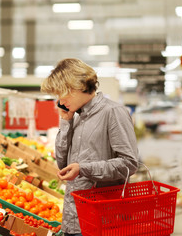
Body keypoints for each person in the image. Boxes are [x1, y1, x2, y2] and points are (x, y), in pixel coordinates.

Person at [41, 58, 139, 236]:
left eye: (62, 93)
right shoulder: (75, 115)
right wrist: (66, 122)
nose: (60, 100)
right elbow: (62, 164)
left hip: (102, 221)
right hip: (73, 217)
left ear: (77, 87)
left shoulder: (113, 112)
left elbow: (129, 164)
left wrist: (84, 168)